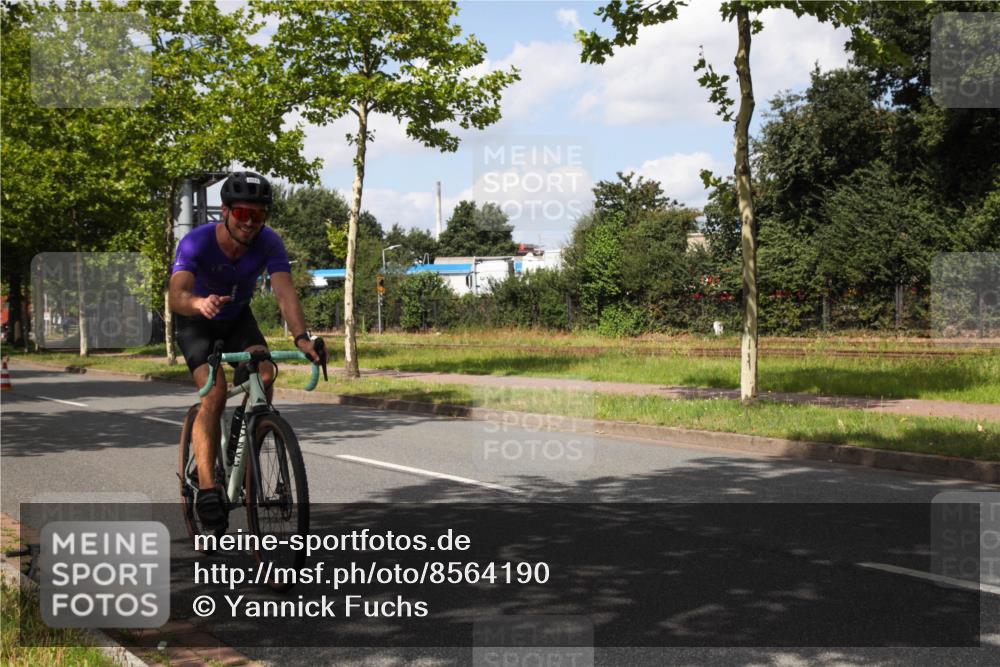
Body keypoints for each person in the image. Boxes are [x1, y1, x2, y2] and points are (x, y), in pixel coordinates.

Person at [168, 171, 324, 533]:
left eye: (258, 215)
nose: (250, 222)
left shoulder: (269, 242)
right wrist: (198, 303)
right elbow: (176, 295)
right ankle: (208, 487)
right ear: (224, 211)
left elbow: (285, 292)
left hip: (237, 319)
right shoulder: (197, 242)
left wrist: (302, 338)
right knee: (215, 392)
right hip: (197, 320)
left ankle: (249, 436)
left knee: (265, 372)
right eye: (242, 214)